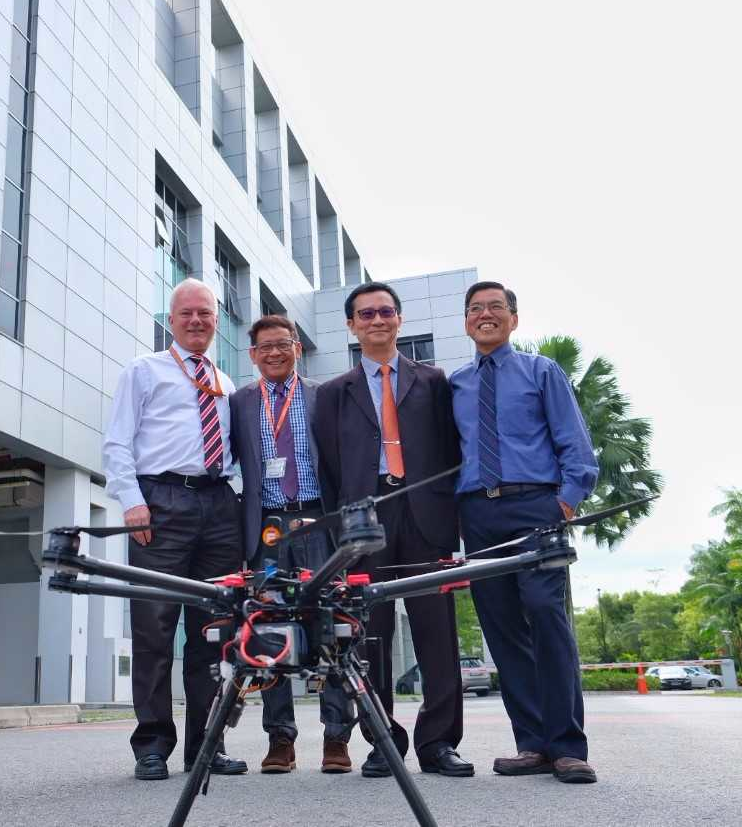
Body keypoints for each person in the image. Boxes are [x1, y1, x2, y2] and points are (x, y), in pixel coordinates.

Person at [312, 281, 472, 780]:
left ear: (399, 320)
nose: (376, 320)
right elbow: (328, 471)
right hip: (365, 521)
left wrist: (453, 522)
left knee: (437, 636)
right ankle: (383, 742)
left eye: (385, 311)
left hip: (426, 517)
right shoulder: (333, 393)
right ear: (351, 325)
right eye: (366, 314)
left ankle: (439, 743)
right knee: (371, 638)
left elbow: (452, 451)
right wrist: (344, 529)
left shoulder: (434, 382)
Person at [449, 281, 600, 784]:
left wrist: (566, 500)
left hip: (536, 506)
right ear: (466, 322)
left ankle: (567, 746)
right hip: (478, 513)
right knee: (502, 627)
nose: (485, 314)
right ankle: (531, 744)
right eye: (475, 309)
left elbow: (575, 444)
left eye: (496, 307)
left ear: (514, 319)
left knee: (545, 613)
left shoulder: (542, 371)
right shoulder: (457, 385)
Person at [103, 278, 248, 781]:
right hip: (160, 503)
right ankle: (152, 745)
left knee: (212, 633)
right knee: (154, 627)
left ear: (215, 320)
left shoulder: (226, 383)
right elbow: (117, 442)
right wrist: (132, 502)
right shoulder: (144, 371)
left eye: (204, 314)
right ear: (171, 319)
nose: (196, 321)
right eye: (186, 313)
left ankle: (206, 745)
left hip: (218, 503)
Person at [230, 314, 354, 775]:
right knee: (268, 626)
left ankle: (336, 738)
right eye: (265, 347)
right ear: (253, 355)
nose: (275, 353)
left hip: (319, 520)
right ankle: (280, 738)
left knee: (332, 624)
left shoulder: (326, 395)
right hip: (267, 527)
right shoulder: (240, 402)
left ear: (297, 347)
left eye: (283, 344)